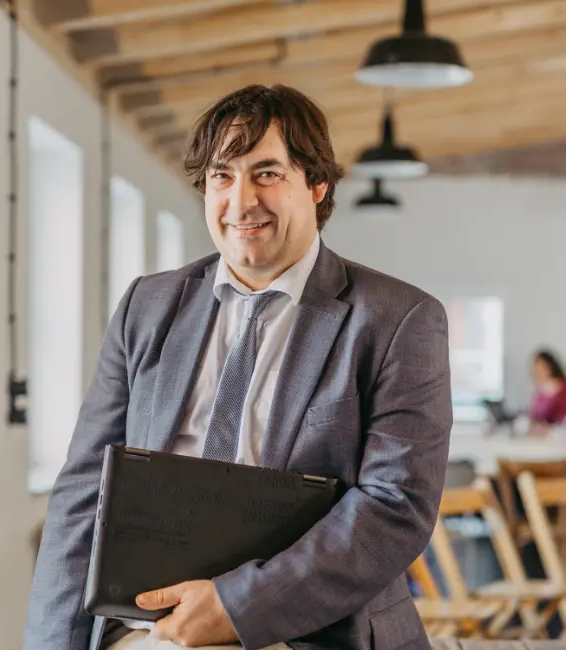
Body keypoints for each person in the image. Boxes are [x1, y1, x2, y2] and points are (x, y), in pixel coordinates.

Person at [23, 84, 452, 650]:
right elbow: (85, 489)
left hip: (307, 632)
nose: (240, 201)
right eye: (222, 176)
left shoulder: (400, 320)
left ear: (317, 184)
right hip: (144, 626)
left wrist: (237, 608)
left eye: (267, 174)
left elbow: (394, 508)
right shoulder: (147, 306)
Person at [529, 349, 566, 431]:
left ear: (549, 368)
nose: (535, 372)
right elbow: (534, 416)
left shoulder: (563, 386)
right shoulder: (540, 391)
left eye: (538, 368)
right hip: (543, 436)